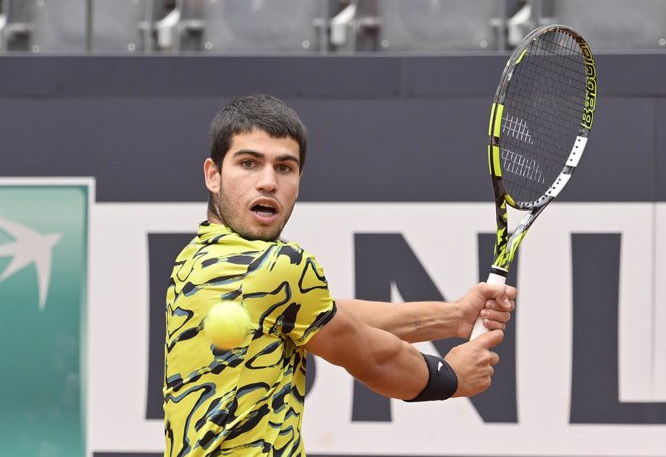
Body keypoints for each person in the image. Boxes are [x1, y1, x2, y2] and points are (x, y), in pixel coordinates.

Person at [163, 94, 517, 457]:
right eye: (249, 163)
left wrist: (454, 317)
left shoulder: (193, 260)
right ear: (213, 175)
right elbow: (374, 360)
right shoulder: (278, 266)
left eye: (285, 168)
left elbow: (327, 316)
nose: (268, 182)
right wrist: (450, 375)